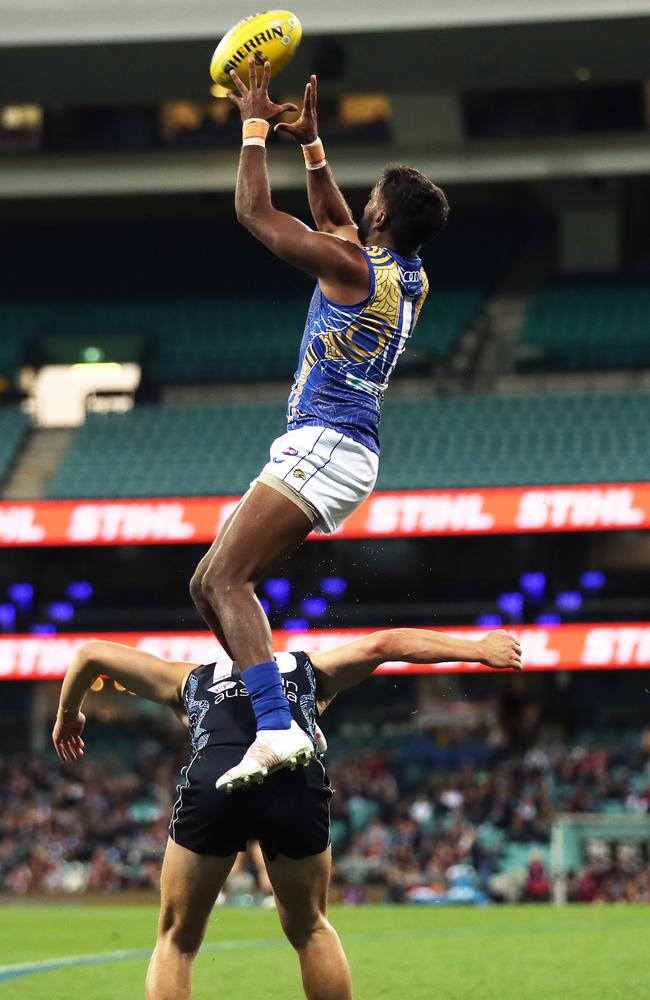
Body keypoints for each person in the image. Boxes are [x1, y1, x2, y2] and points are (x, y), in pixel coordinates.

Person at [189, 61, 450, 791]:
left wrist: (252, 123)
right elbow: (338, 221)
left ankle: (278, 725)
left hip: (326, 444)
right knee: (204, 582)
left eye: (370, 201)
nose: (359, 206)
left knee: (231, 580)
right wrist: (310, 147)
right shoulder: (408, 275)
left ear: (382, 220)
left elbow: (255, 215)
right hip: (336, 446)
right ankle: (265, 702)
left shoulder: (351, 266)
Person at [52, 628, 521, 1000]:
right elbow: (386, 643)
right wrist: (477, 648)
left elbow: (91, 653)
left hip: (218, 778)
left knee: (177, 937)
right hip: (295, 777)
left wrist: (68, 714)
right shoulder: (305, 668)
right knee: (311, 926)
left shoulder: (188, 677)